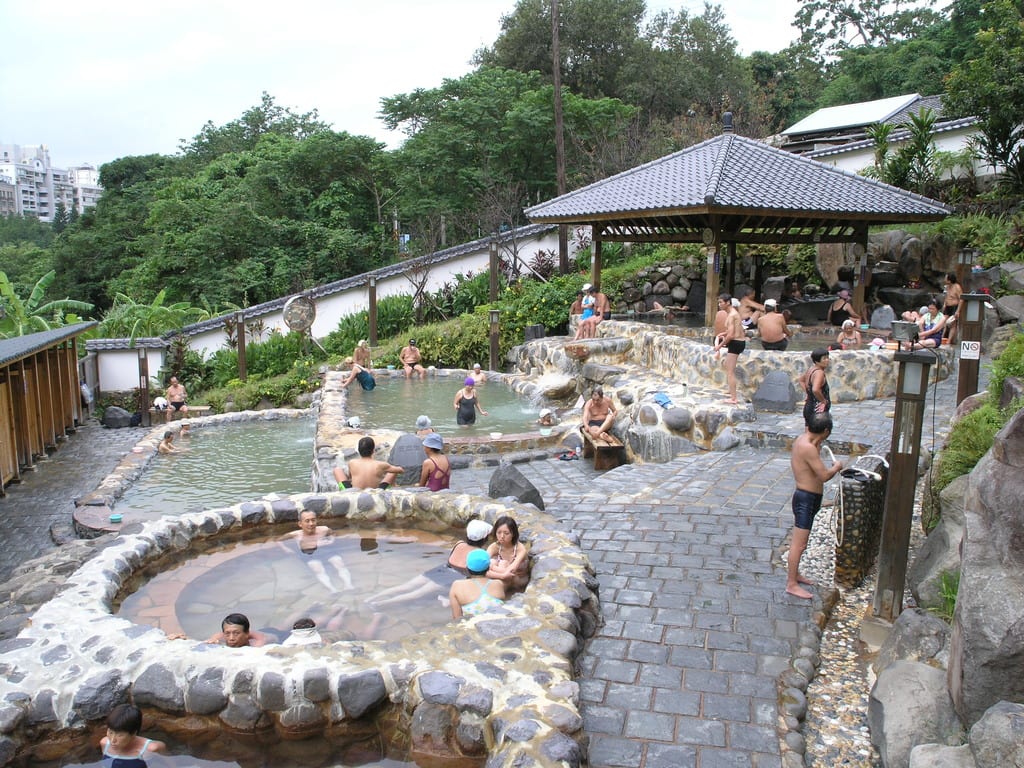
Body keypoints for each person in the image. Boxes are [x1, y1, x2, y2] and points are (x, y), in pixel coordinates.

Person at [367, 519, 493, 608]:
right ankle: (380, 604)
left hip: (440, 570)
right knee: (416, 594)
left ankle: (371, 598)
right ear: (484, 538)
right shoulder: (479, 554)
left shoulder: (458, 544)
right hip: (452, 577)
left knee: (405, 586)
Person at [787, 412, 843, 598]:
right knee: (799, 544)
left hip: (808, 497)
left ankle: (796, 575)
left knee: (803, 541)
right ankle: (791, 584)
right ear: (826, 431)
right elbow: (824, 476)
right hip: (805, 498)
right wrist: (836, 467)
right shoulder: (808, 448)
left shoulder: (805, 440)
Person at [279, 510, 354, 592]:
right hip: (308, 554)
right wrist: (285, 548)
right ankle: (332, 589)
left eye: (313, 520)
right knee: (317, 568)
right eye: (307, 521)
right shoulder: (296, 535)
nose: (311, 524)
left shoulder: (323, 530)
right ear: (300, 524)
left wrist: (331, 540)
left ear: (316, 521)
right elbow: (279, 540)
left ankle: (348, 585)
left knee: (339, 562)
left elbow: (333, 534)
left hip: (325, 550)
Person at [100, 703, 166, 766]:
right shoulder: (104, 743)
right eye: (110, 732)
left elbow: (169, 763)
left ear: (134, 733)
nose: (112, 740)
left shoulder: (150, 749)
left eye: (120, 735)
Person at [450, 548, 506, 619]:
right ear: (488, 567)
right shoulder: (498, 584)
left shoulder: (457, 585)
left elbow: (456, 618)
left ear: (467, 567)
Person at [332, 436, 404, 490]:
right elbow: (401, 470)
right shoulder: (381, 465)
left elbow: (350, 478)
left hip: (354, 494)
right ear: (373, 451)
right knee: (392, 472)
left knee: (337, 470)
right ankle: (394, 488)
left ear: (359, 451)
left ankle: (343, 491)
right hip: (376, 494)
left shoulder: (352, 462)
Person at [712, 294, 745, 405]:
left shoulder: (732, 315)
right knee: (727, 365)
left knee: (730, 371)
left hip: (736, 343)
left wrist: (719, 346)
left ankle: (734, 398)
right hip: (738, 341)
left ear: (728, 303)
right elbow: (737, 330)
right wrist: (724, 333)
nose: (719, 304)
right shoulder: (734, 314)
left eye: (721, 302)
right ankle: (731, 390)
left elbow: (731, 335)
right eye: (719, 302)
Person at [486, 515, 530, 591]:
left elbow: (512, 569)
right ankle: (497, 591)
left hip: (518, 580)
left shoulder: (520, 548)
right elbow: (482, 565)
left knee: (502, 564)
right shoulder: (494, 547)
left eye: (506, 533)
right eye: (499, 532)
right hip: (503, 577)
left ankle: (496, 592)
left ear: (513, 534)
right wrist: (502, 575)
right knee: (491, 562)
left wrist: (492, 568)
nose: (502, 536)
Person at [801, 348, 831, 427]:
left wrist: (808, 393)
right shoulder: (819, 373)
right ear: (817, 361)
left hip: (809, 406)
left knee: (808, 434)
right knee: (817, 436)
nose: (827, 360)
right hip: (817, 409)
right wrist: (823, 401)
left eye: (828, 357)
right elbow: (815, 389)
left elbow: (801, 380)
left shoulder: (811, 369)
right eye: (824, 358)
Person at [206, 613, 270, 647]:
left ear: (247, 633)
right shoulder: (222, 635)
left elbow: (256, 653)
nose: (231, 638)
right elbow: (213, 639)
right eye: (227, 633)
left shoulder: (258, 639)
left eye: (236, 633)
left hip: (274, 634)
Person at [942, 272, 962, 341]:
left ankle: (949, 341)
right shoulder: (947, 287)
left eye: (946, 278)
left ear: (949, 280)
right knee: (943, 322)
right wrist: (944, 304)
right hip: (947, 307)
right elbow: (947, 296)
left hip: (954, 307)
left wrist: (958, 311)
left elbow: (961, 299)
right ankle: (941, 338)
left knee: (953, 324)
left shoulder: (957, 287)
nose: (944, 279)